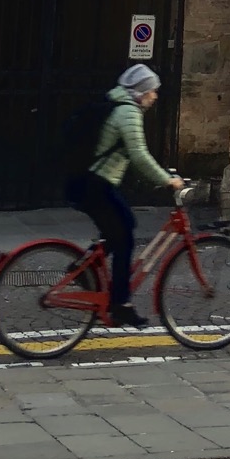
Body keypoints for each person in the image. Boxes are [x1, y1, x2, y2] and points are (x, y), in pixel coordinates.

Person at [65, 65, 184, 327]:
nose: (155, 96)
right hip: (96, 185)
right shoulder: (128, 112)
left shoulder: (117, 102)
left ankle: (84, 267)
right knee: (126, 238)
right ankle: (121, 304)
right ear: (141, 91)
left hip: (91, 183)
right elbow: (139, 155)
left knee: (121, 227)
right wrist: (167, 180)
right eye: (152, 90)